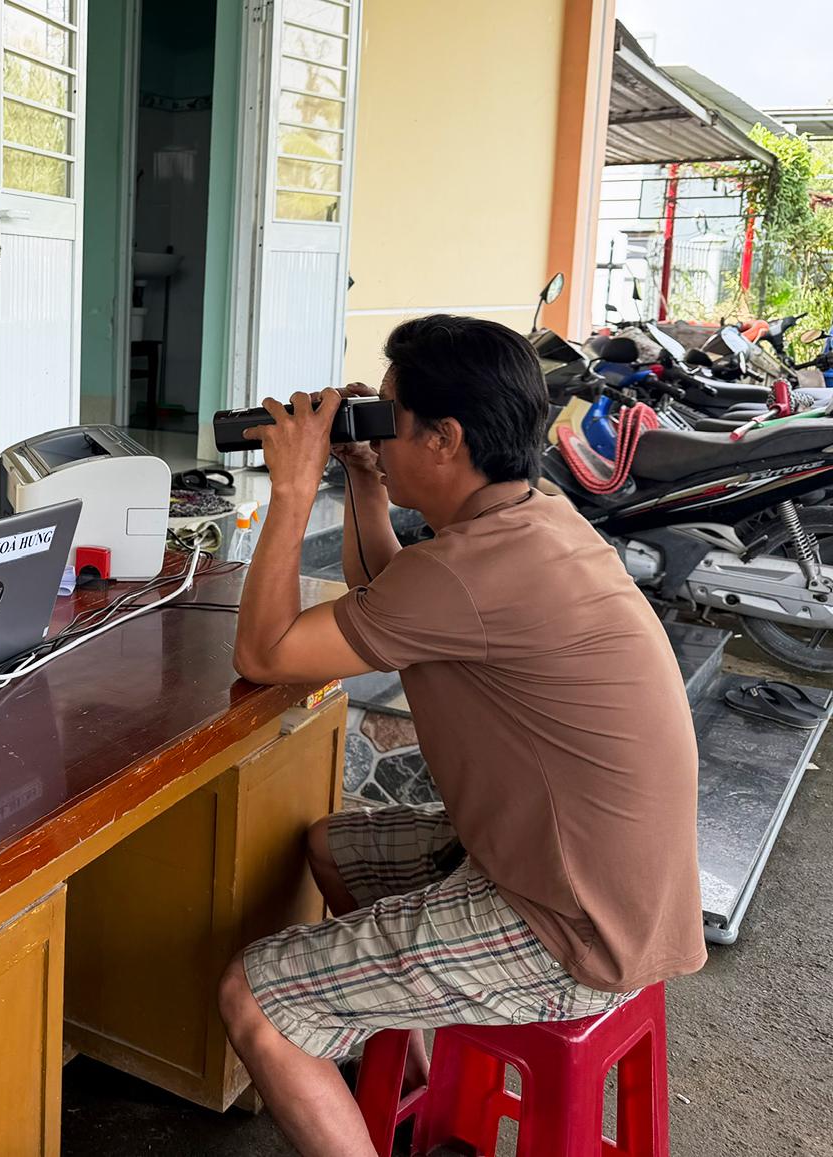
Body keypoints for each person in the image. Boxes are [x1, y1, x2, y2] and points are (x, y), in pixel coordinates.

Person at [216, 315, 705, 1155]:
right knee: (332, 848)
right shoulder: (535, 521)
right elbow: (391, 599)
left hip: (572, 929)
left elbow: (264, 654)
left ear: (443, 439)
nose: (379, 433)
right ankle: (407, 1080)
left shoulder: (467, 570)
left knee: (256, 999)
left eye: (390, 417)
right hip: (607, 884)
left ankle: (327, 1030)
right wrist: (365, 476)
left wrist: (291, 493)